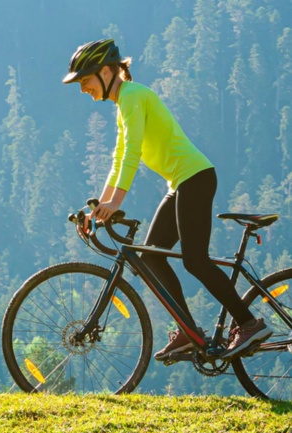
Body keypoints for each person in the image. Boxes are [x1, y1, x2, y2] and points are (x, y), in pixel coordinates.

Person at [62, 38, 272, 361]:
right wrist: (97, 209)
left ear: (106, 72)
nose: (82, 89)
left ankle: (248, 323)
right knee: (151, 258)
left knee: (195, 260)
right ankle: (189, 333)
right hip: (182, 183)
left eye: (85, 80)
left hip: (195, 179)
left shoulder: (132, 95)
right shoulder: (124, 103)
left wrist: (115, 203)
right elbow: (119, 159)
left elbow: (131, 154)